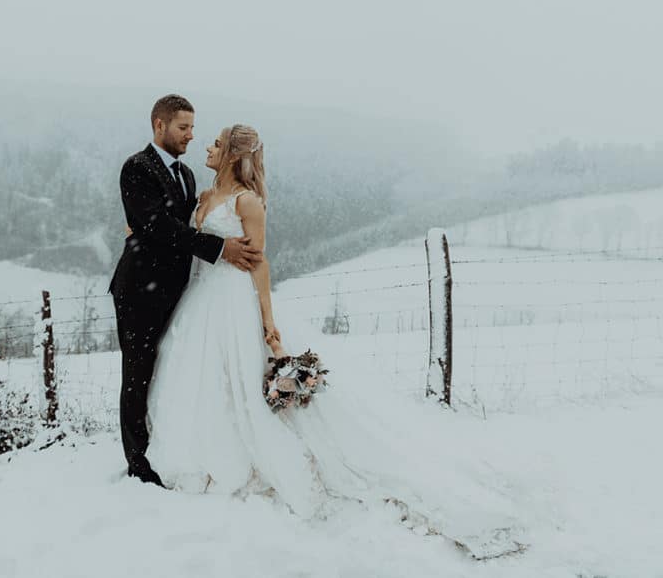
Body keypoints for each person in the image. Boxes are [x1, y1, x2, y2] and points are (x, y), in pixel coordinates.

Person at [144, 124, 524, 554]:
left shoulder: (246, 202)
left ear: (232, 154)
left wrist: (270, 328)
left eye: (215, 143)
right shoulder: (204, 196)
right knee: (206, 379)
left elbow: (259, 265)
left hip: (233, 301)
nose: (207, 148)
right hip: (201, 301)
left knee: (244, 382)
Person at [109, 95, 262, 486]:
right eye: (183, 128)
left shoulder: (189, 176)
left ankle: (167, 444)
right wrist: (219, 248)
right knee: (138, 372)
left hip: (180, 289)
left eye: (194, 128)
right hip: (141, 290)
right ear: (159, 126)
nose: (191, 136)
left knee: (168, 371)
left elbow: (187, 224)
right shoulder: (137, 168)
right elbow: (159, 226)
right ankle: (139, 463)